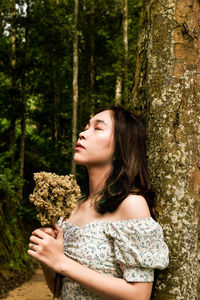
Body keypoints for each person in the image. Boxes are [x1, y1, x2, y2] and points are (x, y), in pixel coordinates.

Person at [28, 106, 169, 300]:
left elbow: (139, 295)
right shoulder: (72, 208)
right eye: (86, 127)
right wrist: (48, 259)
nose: (82, 134)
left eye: (98, 128)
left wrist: (61, 261)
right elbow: (62, 290)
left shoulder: (131, 205)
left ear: (122, 146)